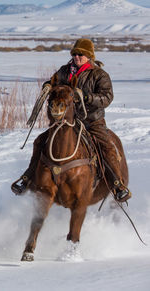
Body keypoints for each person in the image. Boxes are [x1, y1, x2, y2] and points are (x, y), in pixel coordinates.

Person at [11, 38, 131, 202]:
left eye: (81, 54)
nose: (77, 57)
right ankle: (27, 178)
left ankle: (117, 184)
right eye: (75, 54)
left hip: (92, 121)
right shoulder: (65, 71)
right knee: (40, 141)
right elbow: (54, 82)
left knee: (106, 146)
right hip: (68, 121)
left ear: (89, 56)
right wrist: (47, 86)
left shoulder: (99, 75)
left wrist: (87, 97)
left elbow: (107, 97)